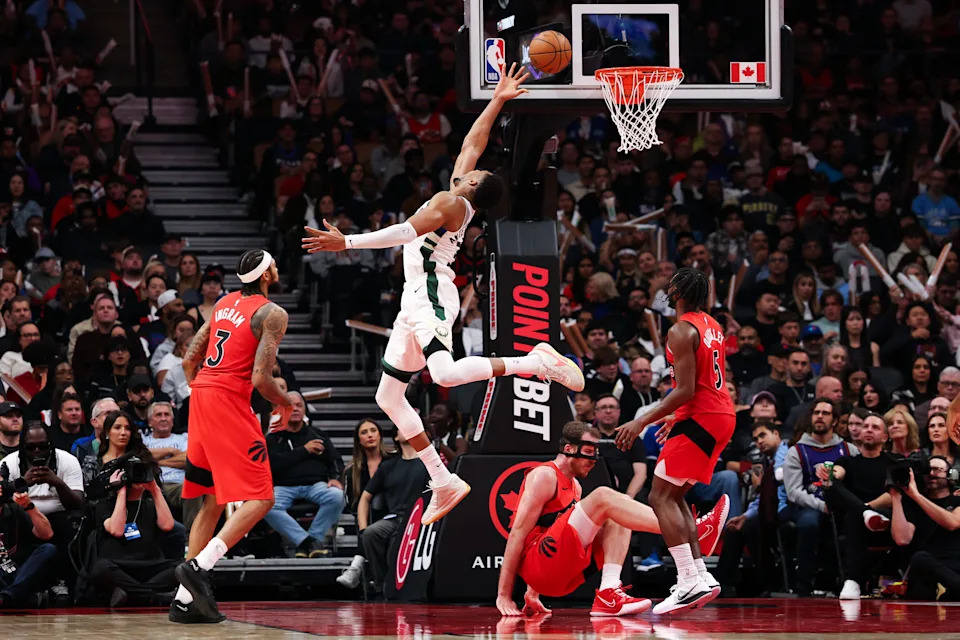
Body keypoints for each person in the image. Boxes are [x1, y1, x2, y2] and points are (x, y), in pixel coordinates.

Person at [302, 64, 584, 527]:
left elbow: (403, 231)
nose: (470, 167)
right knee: (389, 397)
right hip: (416, 296)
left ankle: (535, 363)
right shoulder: (460, 191)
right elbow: (472, 144)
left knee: (446, 375)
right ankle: (443, 479)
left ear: (472, 185)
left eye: (474, 172)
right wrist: (497, 100)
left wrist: (346, 242)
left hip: (432, 292)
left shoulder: (450, 202)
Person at [170, 249, 293, 624]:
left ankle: (184, 600)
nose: (276, 268)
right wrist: (286, 403)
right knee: (261, 498)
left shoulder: (223, 303)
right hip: (227, 400)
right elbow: (260, 378)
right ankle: (200, 566)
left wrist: (202, 391)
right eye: (274, 264)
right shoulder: (272, 314)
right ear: (267, 274)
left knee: (210, 501)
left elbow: (190, 359)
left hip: (201, 396)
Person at [497, 421, 729, 617]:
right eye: (589, 453)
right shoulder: (544, 475)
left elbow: (554, 535)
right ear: (568, 448)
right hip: (538, 566)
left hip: (556, 574)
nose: (594, 460)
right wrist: (504, 596)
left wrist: (533, 592)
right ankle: (694, 533)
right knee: (602, 496)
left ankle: (608, 593)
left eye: (596, 453)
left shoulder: (575, 486)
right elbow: (519, 534)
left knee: (616, 514)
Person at [614, 267, 736, 614]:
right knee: (674, 493)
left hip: (703, 415)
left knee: (659, 495)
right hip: (716, 413)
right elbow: (703, 384)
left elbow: (683, 390)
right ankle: (700, 574)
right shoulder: (712, 324)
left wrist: (641, 421)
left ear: (676, 292)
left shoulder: (681, 330)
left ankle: (687, 581)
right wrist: (675, 418)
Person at [781, 398, 858, 596]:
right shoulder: (796, 451)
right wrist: (821, 505)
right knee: (809, 524)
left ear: (835, 421)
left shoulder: (849, 450)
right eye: (816, 413)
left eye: (825, 413)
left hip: (842, 505)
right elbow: (793, 492)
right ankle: (803, 586)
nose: (820, 417)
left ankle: (850, 581)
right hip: (808, 505)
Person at [817, 412, 896, 600]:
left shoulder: (892, 463)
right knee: (830, 484)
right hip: (854, 521)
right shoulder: (848, 461)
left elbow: (894, 495)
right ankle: (853, 581)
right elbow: (837, 472)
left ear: (885, 437)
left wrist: (868, 508)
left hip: (885, 519)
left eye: (875, 427)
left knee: (896, 492)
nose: (869, 430)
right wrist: (828, 472)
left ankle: (853, 580)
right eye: (866, 426)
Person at [264, 391, 344, 558]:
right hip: (283, 486)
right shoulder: (273, 438)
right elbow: (271, 465)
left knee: (337, 496)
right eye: (290, 405)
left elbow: (335, 460)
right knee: (265, 505)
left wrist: (335, 478)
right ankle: (308, 543)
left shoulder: (318, 434)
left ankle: (310, 539)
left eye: (299, 405)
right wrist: (304, 450)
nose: (295, 409)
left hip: (315, 485)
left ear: (305, 410)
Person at [890, 457, 960, 599]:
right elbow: (902, 539)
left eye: (937, 469)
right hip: (924, 566)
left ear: (951, 474)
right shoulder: (912, 503)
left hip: (953, 565)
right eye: (927, 470)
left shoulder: (957, 500)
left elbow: (952, 523)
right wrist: (896, 497)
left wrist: (916, 496)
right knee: (920, 559)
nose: (931, 474)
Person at [338, 418, 393, 589]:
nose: (369, 435)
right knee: (367, 523)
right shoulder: (352, 469)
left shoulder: (393, 460)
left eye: (373, 431)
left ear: (380, 435)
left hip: (392, 513)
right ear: (358, 440)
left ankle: (356, 565)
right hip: (366, 517)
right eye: (364, 432)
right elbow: (351, 503)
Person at [0, 483, 56, 608]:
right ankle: (17, 597)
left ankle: (8, 596)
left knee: (48, 549)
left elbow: (47, 534)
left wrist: (29, 506)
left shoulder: (13, 509)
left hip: (17, 571)